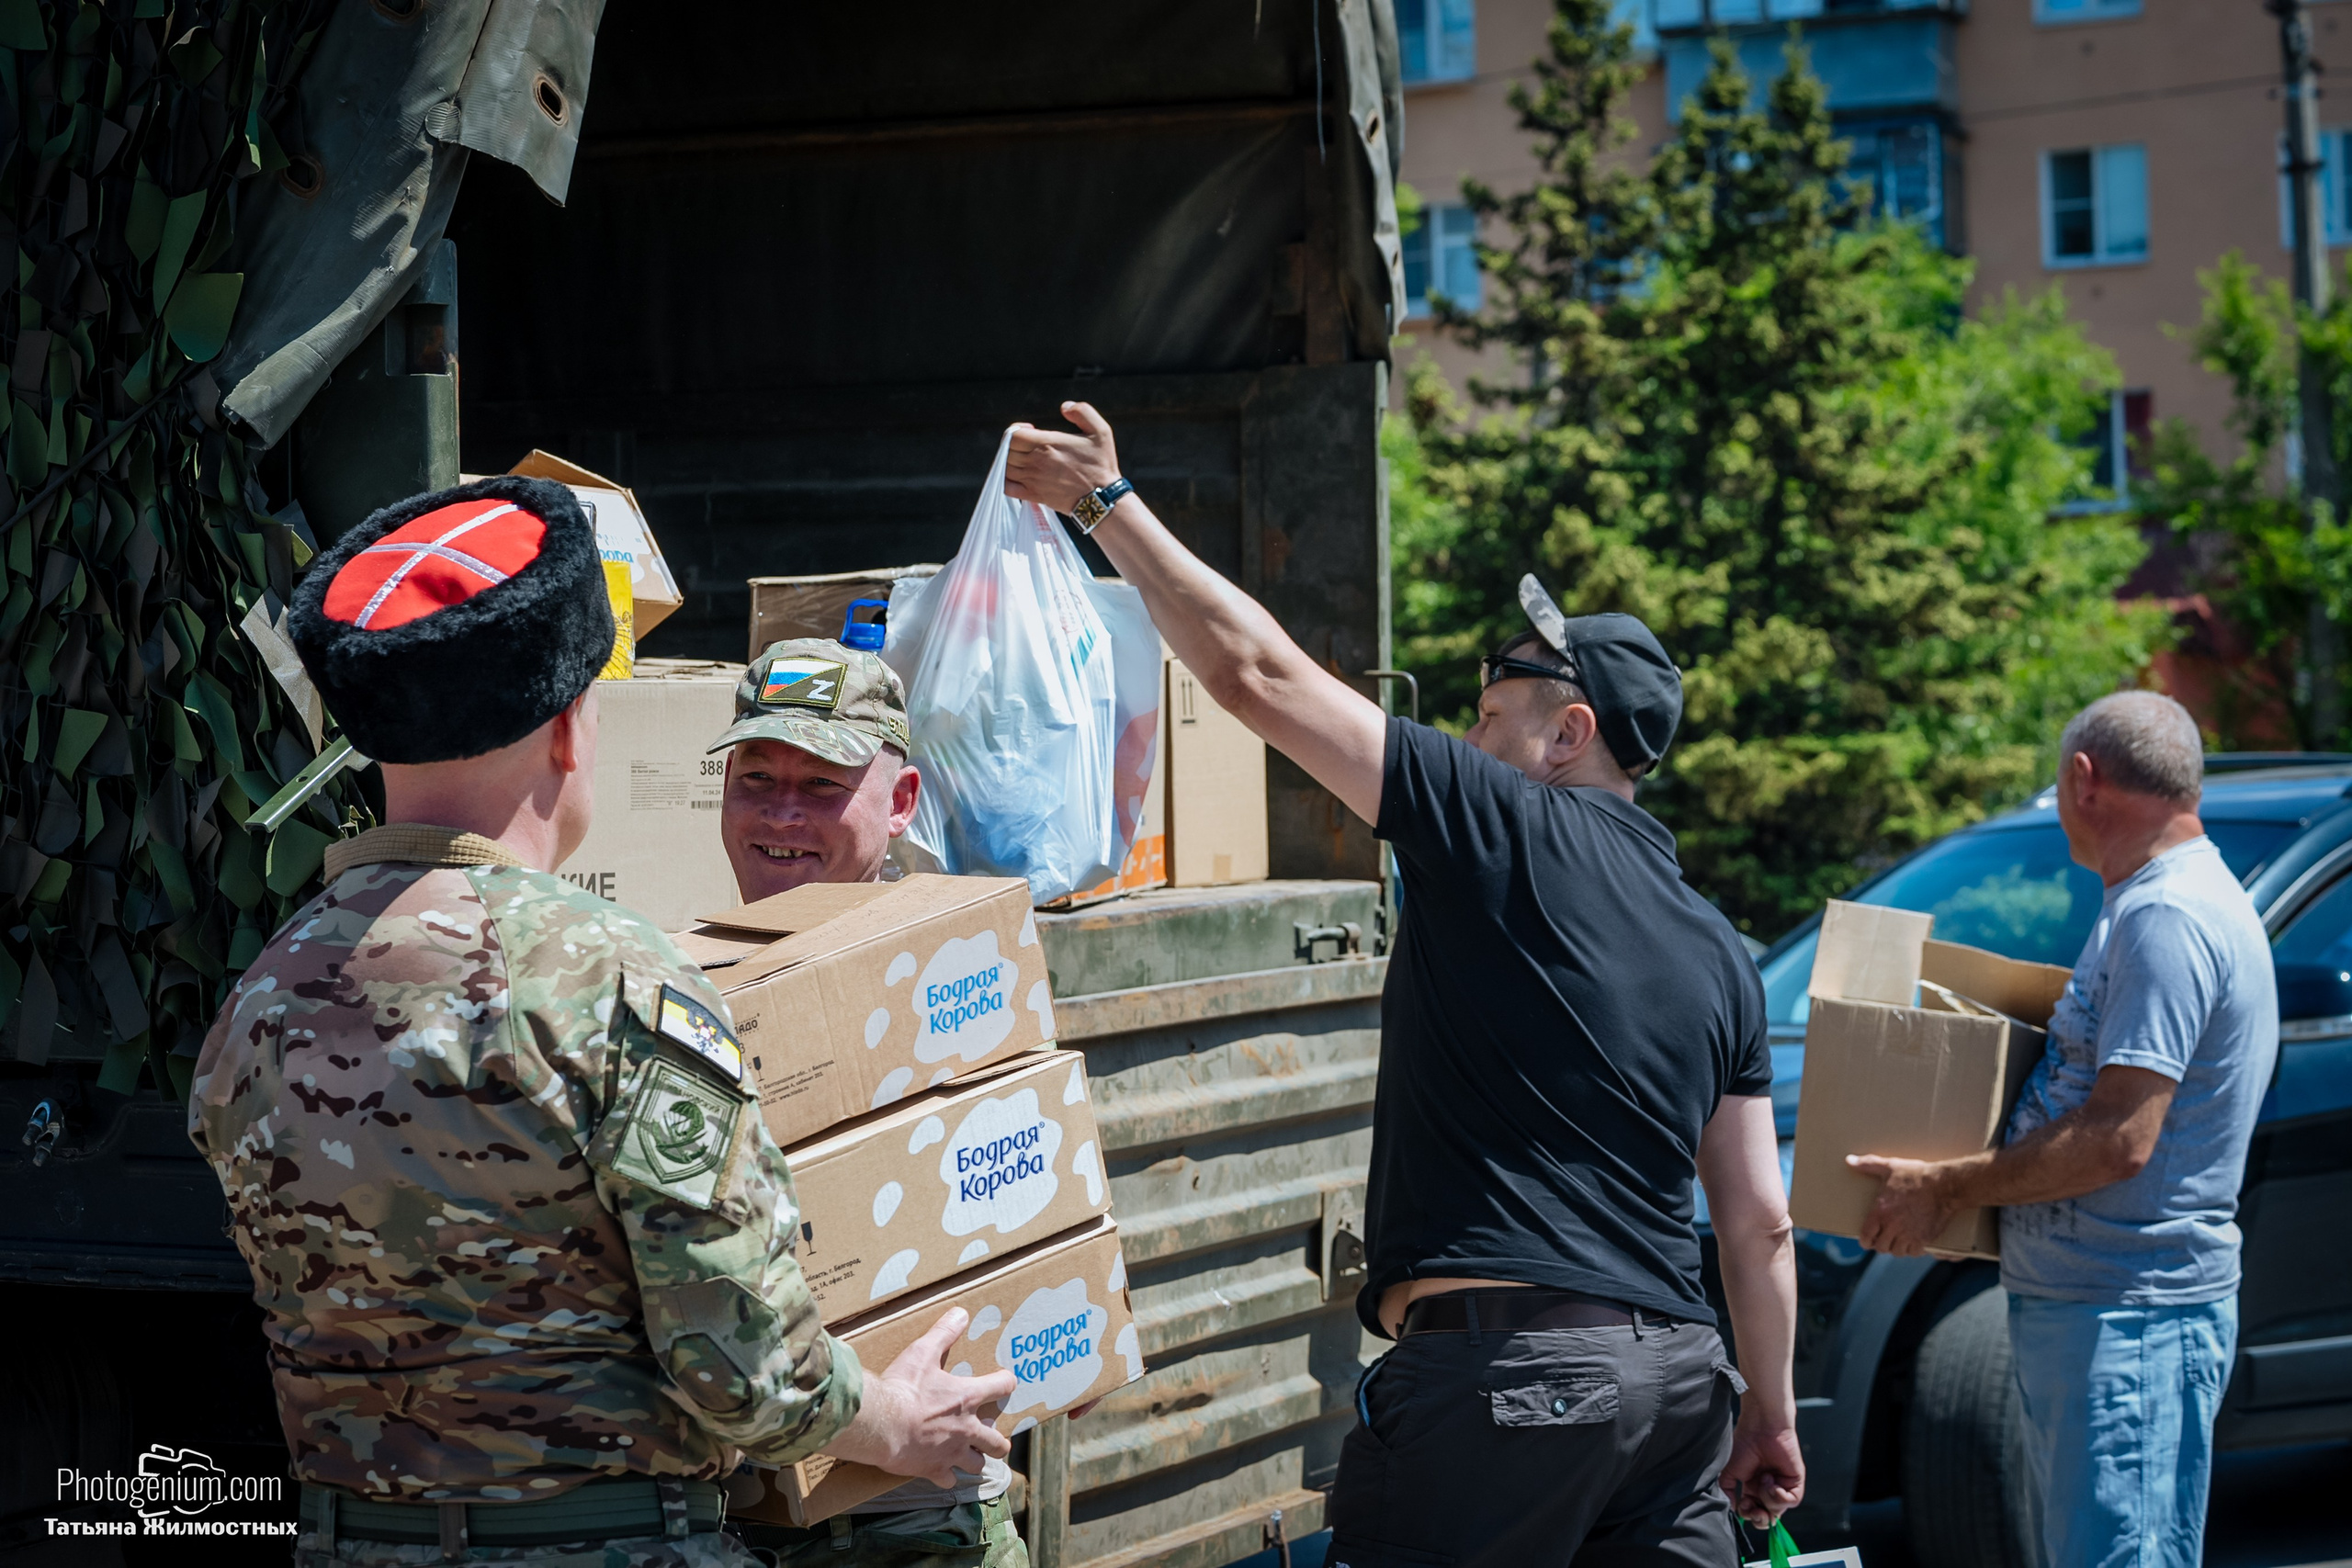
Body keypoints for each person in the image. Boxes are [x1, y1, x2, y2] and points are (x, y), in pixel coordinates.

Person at [1005, 404, 1804, 1566]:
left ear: (1565, 735)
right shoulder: (1719, 945)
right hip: (1681, 1393)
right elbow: (1758, 1221)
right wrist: (1770, 1414)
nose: (1468, 742)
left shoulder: (1505, 824)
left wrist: (1104, 505)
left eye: (1488, 718)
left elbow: (1256, 674)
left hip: (1513, 1391)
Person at [188, 478, 1013, 1568]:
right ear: (573, 728)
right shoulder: (613, 977)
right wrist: (896, 1423)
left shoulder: (257, 1002)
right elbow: (747, 1372)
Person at [1849, 692, 2278, 1568]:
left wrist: (1948, 1185)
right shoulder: (2158, 902)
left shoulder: (2167, 914)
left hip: (2131, 1316)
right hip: (2110, 1310)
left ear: (2083, 779)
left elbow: (2121, 1136)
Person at [706, 637, 1025, 1566]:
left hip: (918, 1520)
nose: (781, 814)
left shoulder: (958, 976)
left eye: (820, 786)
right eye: (755, 778)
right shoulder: (680, 976)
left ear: (902, 802)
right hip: (726, 1519)